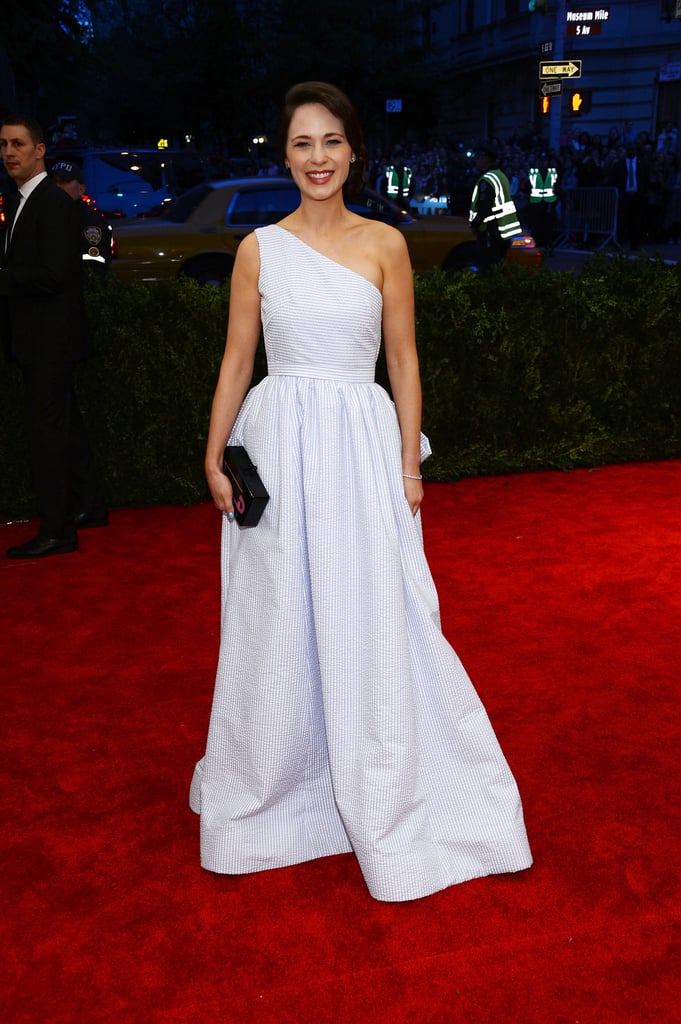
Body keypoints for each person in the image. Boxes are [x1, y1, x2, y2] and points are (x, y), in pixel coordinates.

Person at [189, 81, 532, 903]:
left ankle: (389, 786)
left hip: (359, 446)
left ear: (353, 152)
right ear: (285, 154)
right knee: (275, 616)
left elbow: (404, 361)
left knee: (378, 609)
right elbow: (239, 360)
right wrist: (212, 455)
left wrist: (408, 467)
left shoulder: (384, 244)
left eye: (331, 142)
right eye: (302, 143)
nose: (317, 158)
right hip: (277, 440)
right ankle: (282, 794)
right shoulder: (258, 250)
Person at [0, 114, 107, 559]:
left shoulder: (53, 202)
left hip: (49, 341)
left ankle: (58, 530)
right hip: (40, 338)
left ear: (40, 150)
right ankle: (89, 506)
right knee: (67, 424)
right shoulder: (24, 199)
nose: (9, 152)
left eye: (18, 144)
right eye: (3, 145)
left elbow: (54, 275)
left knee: (48, 433)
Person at [50, 159, 113, 277]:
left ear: (81, 189)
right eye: (54, 182)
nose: (57, 186)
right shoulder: (47, 216)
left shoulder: (91, 222)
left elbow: (93, 268)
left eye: (63, 182)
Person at [469, 143, 522, 271]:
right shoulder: (501, 175)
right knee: (498, 264)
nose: (476, 161)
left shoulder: (487, 179)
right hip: (503, 228)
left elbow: (485, 207)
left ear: (486, 159)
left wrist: (475, 224)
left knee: (489, 266)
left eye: (478, 157)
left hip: (491, 229)